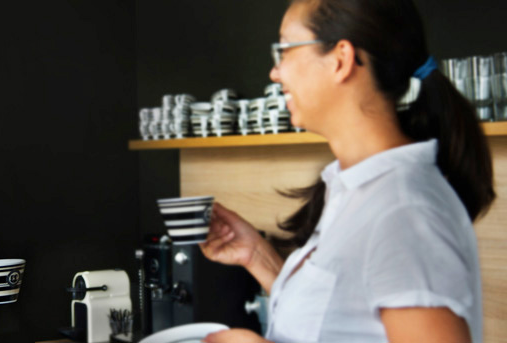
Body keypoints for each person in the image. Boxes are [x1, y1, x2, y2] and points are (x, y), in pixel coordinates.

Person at [200, 0, 495, 342]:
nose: (275, 72)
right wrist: (257, 257)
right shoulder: (356, 190)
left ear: (341, 60)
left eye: (285, 50)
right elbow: (342, 315)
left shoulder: (404, 213)